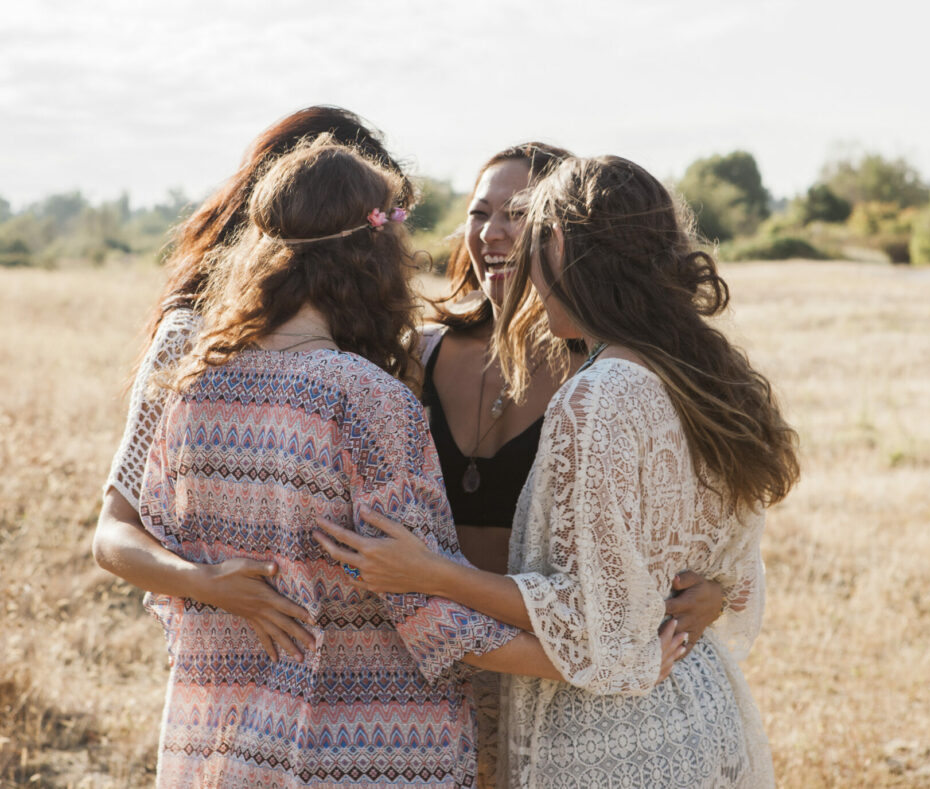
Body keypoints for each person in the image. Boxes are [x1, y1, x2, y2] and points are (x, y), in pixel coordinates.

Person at [136, 139, 690, 787]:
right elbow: (427, 613)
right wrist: (613, 661)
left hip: (223, 741)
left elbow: (169, 567)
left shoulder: (191, 386)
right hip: (364, 746)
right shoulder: (366, 396)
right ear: (373, 250)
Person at [316, 154, 800, 787]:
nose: (518, 264)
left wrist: (430, 573)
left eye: (530, 230)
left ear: (563, 244)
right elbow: (729, 565)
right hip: (702, 716)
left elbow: (597, 626)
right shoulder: (704, 373)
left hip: (610, 742)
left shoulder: (601, 394)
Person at [418, 143, 727, 786]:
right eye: (480, 213)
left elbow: (689, 519)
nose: (497, 232)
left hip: (559, 674)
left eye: (520, 214)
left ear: (564, 238)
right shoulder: (413, 354)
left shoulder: (603, 370)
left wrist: (713, 589)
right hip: (433, 667)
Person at [94, 105, 412, 661]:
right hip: (229, 665)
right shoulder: (193, 337)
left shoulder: (364, 340)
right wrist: (202, 582)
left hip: (356, 677)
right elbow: (113, 534)